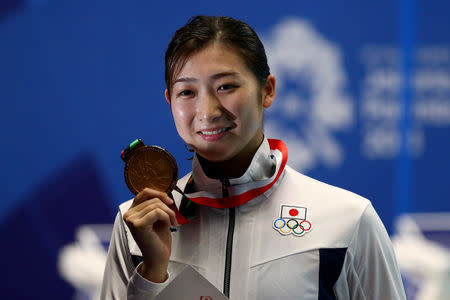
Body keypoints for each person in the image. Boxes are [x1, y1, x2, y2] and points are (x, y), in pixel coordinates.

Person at [100, 15, 406, 299]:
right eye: (187, 92)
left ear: (267, 90)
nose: (207, 111)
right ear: (169, 100)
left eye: (226, 86)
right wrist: (151, 275)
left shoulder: (347, 223)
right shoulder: (135, 229)